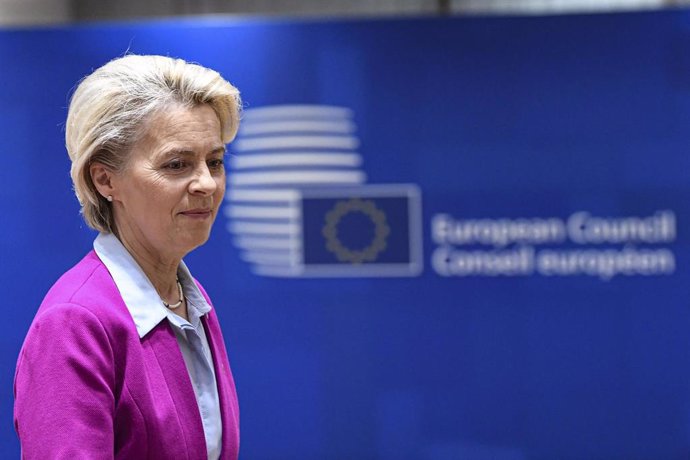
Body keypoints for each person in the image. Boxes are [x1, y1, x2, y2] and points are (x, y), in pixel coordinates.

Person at [13, 54, 241, 459]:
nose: (207, 182)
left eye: (215, 161)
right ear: (105, 180)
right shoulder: (74, 323)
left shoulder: (191, 298)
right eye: (177, 164)